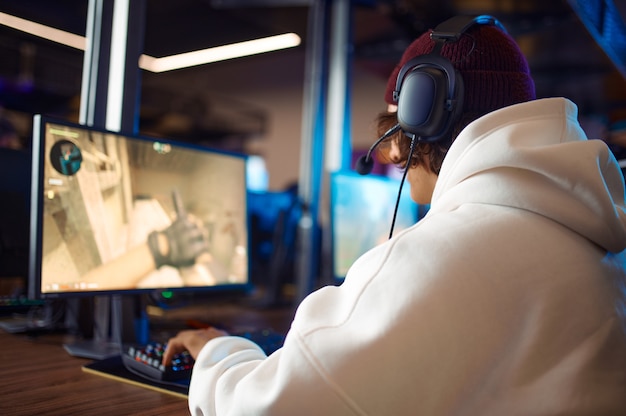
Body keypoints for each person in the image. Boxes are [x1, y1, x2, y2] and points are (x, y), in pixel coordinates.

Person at [164, 15, 626, 415]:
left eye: (398, 126)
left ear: (426, 114)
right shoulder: (590, 234)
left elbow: (271, 407)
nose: (390, 151)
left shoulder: (445, 253)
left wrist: (218, 353)